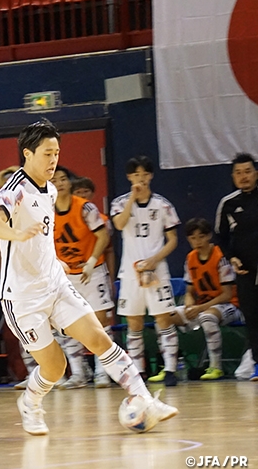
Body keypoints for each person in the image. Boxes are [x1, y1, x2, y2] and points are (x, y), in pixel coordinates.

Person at [0, 119, 177, 435]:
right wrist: (16, 234)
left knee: (99, 339)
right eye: (47, 153)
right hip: (22, 297)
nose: (53, 161)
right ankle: (30, 403)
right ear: (28, 153)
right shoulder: (14, 189)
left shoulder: (47, 188)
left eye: (57, 153)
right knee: (55, 367)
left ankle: (143, 398)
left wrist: (53, 262)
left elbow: (44, 238)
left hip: (55, 285)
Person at [110, 156, 181, 387]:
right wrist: (132, 196)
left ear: (150, 176)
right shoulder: (120, 203)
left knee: (163, 319)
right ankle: (138, 372)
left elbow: (172, 240)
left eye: (144, 174)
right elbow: (119, 225)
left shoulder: (163, 205)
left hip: (156, 269)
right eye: (135, 174)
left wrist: (153, 260)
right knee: (134, 322)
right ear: (129, 177)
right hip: (130, 272)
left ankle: (170, 369)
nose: (140, 178)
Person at [153, 218, 243, 381]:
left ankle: (216, 367)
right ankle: (168, 368)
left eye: (201, 236)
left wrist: (199, 308)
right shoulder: (191, 258)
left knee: (207, 317)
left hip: (228, 306)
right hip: (202, 305)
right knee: (163, 317)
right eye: (193, 238)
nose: (197, 241)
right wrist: (189, 304)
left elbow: (227, 294)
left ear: (209, 236)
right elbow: (189, 291)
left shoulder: (220, 256)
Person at [51, 166, 114, 389]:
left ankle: (102, 371)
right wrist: (56, 262)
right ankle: (77, 373)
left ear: (70, 182)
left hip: (92, 271)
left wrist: (91, 260)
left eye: (63, 179)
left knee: (100, 322)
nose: (59, 183)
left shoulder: (85, 208)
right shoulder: (46, 212)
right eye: (54, 180)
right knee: (67, 324)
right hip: (66, 276)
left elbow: (103, 235)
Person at [215, 152, 258, 381]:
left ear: (256, 173)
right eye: (239, 173)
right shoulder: (229, 203)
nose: (244, 177)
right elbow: (220, 237)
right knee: (252, 318)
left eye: (248, 171)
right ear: (233, 176)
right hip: (245, 272)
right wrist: (231, 258)